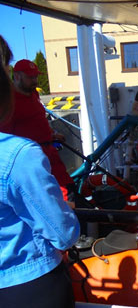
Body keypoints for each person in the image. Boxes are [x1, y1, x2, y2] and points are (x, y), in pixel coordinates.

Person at [0, 35, 80, 308]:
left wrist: (52, 134)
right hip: (30, 280)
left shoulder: (33, 97)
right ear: (14, 76)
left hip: (47, 155)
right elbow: (63, 233)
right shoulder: (16, 155)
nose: (36, 81)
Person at [0, 59, 76, 202]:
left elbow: (38, 119)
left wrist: (53, 134)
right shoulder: (8, 101)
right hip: (32, 162)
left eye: (36, 76)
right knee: (57, 199)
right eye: (30, 77)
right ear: (17, 76)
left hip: (50, 154)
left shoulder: (33, 93)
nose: (35, 80)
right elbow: (5, 139)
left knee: (70, 190)